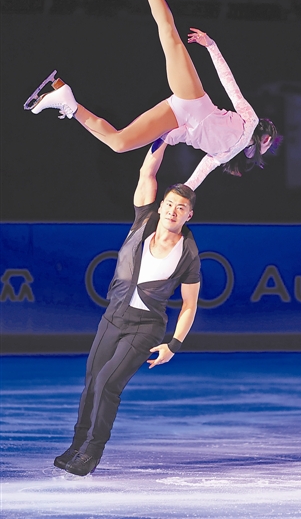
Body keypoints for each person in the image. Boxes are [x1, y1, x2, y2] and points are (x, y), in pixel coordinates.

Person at [24, 0, 282, 190]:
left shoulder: (219, 158)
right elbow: (230, 85)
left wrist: (171, 203)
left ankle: (69, 103)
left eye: (269, 144)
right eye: (269, 140)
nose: (268, 143)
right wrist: (212, 47)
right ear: (263, 135)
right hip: (193, 99)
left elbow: (190, 183)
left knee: (119, 143)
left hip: (178, 116)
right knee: (169, 34)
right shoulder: (249, 121)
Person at [54, 141, 201, 476]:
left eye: (181, 207)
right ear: (161, 206)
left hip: (145, 327)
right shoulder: (143, 220)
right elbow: (147, 171)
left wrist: (174, 345)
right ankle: (77, 444)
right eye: (169, 204)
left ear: (189, 214)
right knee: (92, 381)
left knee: (108, 383)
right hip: (113, 316)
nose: (173, 211)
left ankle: (92, 452)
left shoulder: (189, 253)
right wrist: (163, 135)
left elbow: (190, 304)